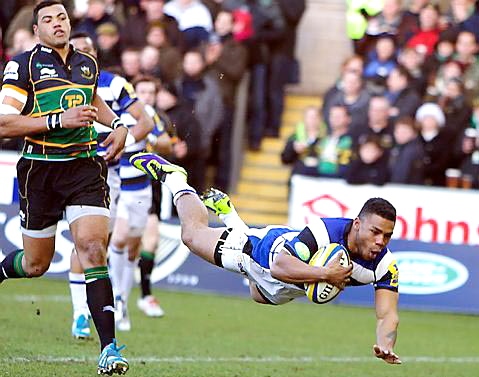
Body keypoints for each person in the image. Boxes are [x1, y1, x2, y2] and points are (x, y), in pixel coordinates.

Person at [129, 152, 402, 365]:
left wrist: (385, 343)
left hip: (288, 283)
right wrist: (325, 275)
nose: (380, 241)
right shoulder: (326, 231)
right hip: (265, 252)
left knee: (258, 295)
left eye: (387, 236)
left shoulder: (385, 266)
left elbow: (387, 314)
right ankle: (175, 179)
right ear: (357, 224)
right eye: (375, 232)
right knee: (192, 235)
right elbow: (279, 267)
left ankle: (230, 215)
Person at [0, 1, 128, 375]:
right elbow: (5, 124)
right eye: (48, 20)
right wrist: (58, 119)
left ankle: (109, 350)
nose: (58, 24)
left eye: (62, 18)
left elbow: (93, 99)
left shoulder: (87, 63)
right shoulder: (22, 66)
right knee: (36, 263)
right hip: (39, 172)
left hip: (84, 167)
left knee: (92, 248)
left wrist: (118, 123)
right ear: (37, 29)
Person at [67, 32, 154, 337]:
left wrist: (121, 144)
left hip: (107, 176)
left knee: (94, 242)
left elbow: (146, 122)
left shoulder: (113, 84)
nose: (80, 55)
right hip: (58, 170)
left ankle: (95, 308)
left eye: (86, 50)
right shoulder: (49, 84)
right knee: (72, 244)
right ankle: (80, 313)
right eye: (74, 50)